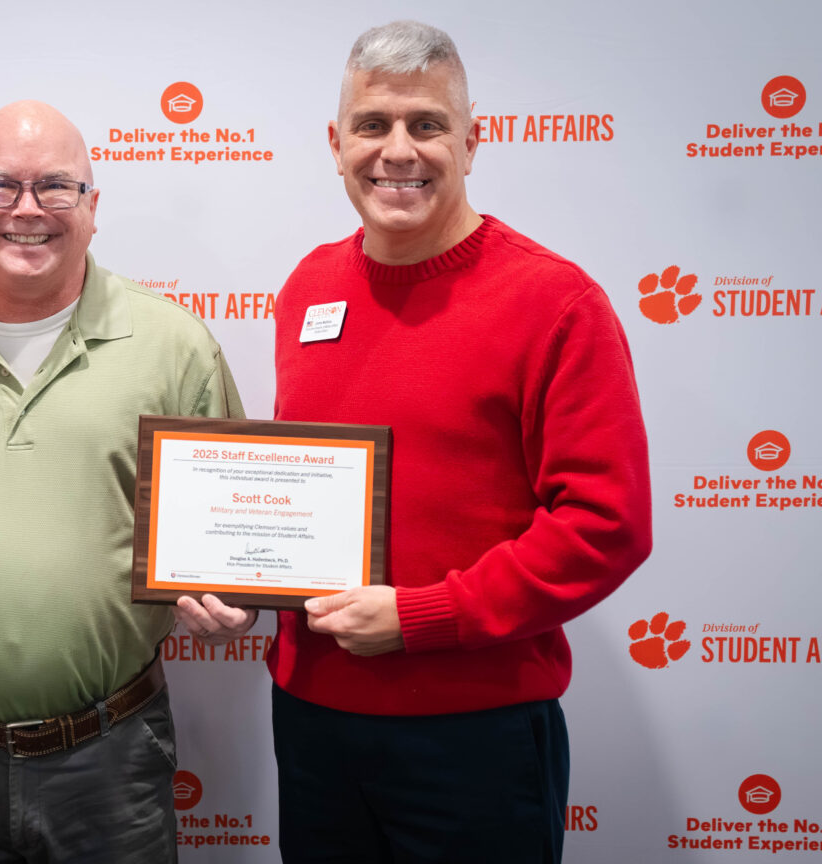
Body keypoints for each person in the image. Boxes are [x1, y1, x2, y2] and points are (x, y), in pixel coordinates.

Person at [270, 21, 652, 863]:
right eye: (373, 125)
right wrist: (230, 579)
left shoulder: (555, 303)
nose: (396, 151)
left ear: (473, 141)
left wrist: (420, 617)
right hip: (313, 721)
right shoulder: (306, 289)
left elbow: (605, 525)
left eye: (427, 124)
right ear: (336, 145)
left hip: (474, 737)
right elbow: (298, 496)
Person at [0, 100, 251, 863]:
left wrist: (231, 585)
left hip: (110, 760)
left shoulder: (174, 345)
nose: (27, 210)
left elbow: (232, 527)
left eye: (57, 187)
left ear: (94, 207)